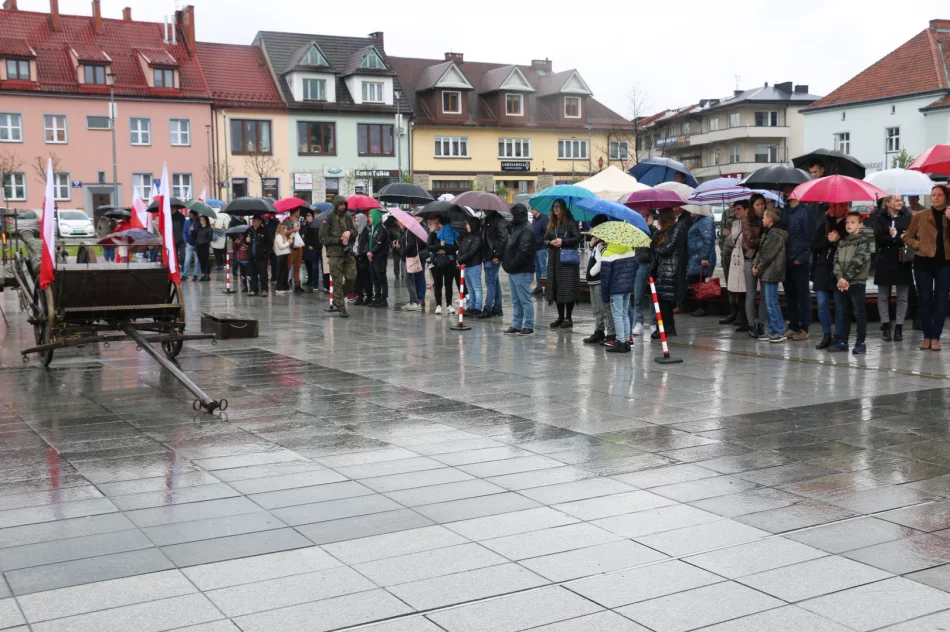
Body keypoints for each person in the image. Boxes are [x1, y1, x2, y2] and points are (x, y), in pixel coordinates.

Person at [903, 184, 950, 351]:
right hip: (923, 263)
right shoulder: (921, 215)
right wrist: (919, 245)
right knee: (925, 299)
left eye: (939, 195)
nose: (935, 198)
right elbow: (907, 237)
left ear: (946, 198)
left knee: (941, 300)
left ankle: (936, 337)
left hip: (945, 263)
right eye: (933, 194)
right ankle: (927, 336)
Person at [829, 211, 872, 354]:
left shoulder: (863, 241)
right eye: (847, 222)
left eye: (853, 222)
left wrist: (845, 278)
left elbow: (859, 261)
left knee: (859, 312)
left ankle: (861, 342)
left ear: (860, 224)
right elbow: (836, 261)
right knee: (844, 312)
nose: (849, 225)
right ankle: (843, 341)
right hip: (843, 283)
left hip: (856, 282)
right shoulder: (842, 241)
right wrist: (840, 277)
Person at [874, 195, 913, 341]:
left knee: (902, 296)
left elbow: (910, 236)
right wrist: (895, 237)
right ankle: (885, 326)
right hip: (885, 260)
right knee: (883, 296)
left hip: (902, 261)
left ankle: (899, 328)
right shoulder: (880, 218)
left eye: (901, 200)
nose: (900, 202)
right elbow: (879, 237)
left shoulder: (907, 218)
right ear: (888, 203)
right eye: (896, 200)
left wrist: (895, 235)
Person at [781, 190, 817, 341]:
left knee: (802, 294)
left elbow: (810, 236)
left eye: (789, 190)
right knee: (790, 294)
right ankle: (793, 325)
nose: (785, 193)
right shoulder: (784, 211)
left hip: (799, 260)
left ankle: (804, 328)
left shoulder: (806, 212)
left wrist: (802, 257)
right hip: (785, 259)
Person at [813, 203, 849, 349]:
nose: (834, 209)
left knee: (840, 306)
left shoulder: (847, 226)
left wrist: (837, 241)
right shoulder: (824, 226)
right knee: (822, 304)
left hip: (840, 271)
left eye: (839, 206)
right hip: (823, 269)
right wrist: (827, 241)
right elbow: (814, 247)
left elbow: (849, 247)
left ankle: (838, 336)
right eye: (833, 206)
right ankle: (826, 334)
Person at [544, 199, 581, 329]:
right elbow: (545, 239)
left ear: (563, 208)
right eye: (554, 206)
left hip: (567, 262)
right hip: (554, 260)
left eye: (558, 206)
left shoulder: (570, 222)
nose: (556, 208)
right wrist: (550, 242)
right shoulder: (552, 223)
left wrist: (563, 241)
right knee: (556, 288)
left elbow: (577, 238)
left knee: (567, 289)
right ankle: (560, 317)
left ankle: (568, 318)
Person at [752, 209, 788, 342]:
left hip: (772, 272)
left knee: (772, 302)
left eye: (764, 217)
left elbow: (767, 255)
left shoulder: (775, 235)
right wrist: (755, 264)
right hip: (767, 272)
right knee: (769, 302)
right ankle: (773, 329)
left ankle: (779, 331)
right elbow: (761, 252)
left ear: (770, 219)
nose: (762, 219)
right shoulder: (768, 233)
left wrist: (758, 268)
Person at [319, 195, 358, 317]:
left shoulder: (347, 218)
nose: (343, 207)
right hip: (335, 254)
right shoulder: (328, 219)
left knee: (351, 278)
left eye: (344, 204)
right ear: (336, 205)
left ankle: (337, 297)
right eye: (340, 205)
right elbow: (322, 238)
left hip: (347, 252)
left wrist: (349, 232)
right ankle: (341, 307)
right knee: (337, 281)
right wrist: (338, 240)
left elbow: (355, 231)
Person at [600, 236, 640, 354]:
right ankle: (627, 341)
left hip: (616, 288)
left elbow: (605, 277)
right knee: (624, 314)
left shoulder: (608, 253)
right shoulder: (630, 249)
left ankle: (620, 342)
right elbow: (636, 265)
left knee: (617, 315)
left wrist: (604, 296)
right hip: (628, 287)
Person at [652, 208, 686, 338]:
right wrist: (656, 233)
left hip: (671, 270)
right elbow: (652, 244)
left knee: (664, 301)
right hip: (661, 270)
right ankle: (667, 327)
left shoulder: (677, 229)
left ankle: (666, 328)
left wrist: (655, 248)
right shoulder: (662, 232)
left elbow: (668, 248)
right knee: (662, 300)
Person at [502, 204, 536, 335]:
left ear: (518, 215)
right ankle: (516, 324)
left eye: (512, 215)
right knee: (516, 300)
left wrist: (511, 264)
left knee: (524, 299)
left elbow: (523, 251)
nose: (511, 217)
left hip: (522, 269)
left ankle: (528, 325)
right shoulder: (517, 227)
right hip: (514, 270)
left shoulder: (527, 229)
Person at [583, 215, 615, 345]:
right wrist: (592, 246)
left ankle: (611, 333)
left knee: (604, 307)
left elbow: (604, 260)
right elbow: (594, 256)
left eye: (594, 228)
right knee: (596, 308)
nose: (593, 231)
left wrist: (592, 272)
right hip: (593, 280)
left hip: (599, 279)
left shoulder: (606, 241)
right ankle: (599, 331)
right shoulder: (598, 241)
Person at [741, 194, 768, 339]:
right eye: (757, 204)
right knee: (751, 294)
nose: (761, 207)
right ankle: (751, 324)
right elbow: (749, 241)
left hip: (765, 260)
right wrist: (764, 239)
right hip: (750, 258)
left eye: (762, 204)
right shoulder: (747, 220)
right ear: (752, 206)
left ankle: (761, 323)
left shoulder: (769, 218)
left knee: (765, 295)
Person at [723, 201, 749, 331]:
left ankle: (746, 320)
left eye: (739, 209)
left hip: (745, 261)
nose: (736, 211)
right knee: (738, 292)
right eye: (735, 209)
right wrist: (726, 235)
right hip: (735, 261)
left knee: (745, 292)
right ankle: (741, 318)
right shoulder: (735, 224)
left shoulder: (751, 224)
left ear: (746, 210)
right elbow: (730, 243)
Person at [686, 210, 716, 317]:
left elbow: (708, 240)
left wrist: (704, 257)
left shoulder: (705, 221)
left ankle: (703, 307)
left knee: (698, 280)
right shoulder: (699, 221)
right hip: (696, 257)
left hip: (701, 258)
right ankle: (701, 306)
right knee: (697, 280)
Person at [479, 210, 508, 318]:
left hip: (492, 256)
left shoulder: (498, 219)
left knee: (490, 282)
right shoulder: (486, 219)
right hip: (487, 255)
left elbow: (503, 237)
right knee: (494, 282)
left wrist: (497, 254)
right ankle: (497, 307)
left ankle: (488, 307)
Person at [427, 216, 458, 316]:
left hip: (449, 262)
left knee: (448, 284)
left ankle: (449, 305)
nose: (437, 225)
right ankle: (438, 305)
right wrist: (439, 245)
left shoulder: (449, 232)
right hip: (436, 263)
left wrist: (445, 251)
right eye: (435, 223)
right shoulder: (432, 235)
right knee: (438, 284)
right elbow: (429, 247)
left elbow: (455, 247)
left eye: (438, 223)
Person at [632, 208, 657, 336]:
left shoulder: (654, 230)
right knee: (638, 295)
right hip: (639, 263)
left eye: (644, 216)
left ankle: (653, 323)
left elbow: (654, 245)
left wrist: (650, 228)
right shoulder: (636, 230)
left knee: (653, 296)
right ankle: (638, 322)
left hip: (652, 264)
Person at [398, 219, 428, 312]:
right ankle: (413, 302)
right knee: (410, 280)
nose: (400, 223)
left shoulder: (410, 231)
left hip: (410, 258)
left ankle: (416, 302)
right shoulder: (407, 231)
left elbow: (410, 244)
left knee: (407, 280)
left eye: (402, 221)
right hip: (408, 258)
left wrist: (403, 253)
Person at [718, 202, 740, 325]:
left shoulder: (744, 213)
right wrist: (723, 235)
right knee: (729, 284)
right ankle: (733, 311)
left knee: (739, 284)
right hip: (727, 253)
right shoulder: (726, 213)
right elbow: (721, 233)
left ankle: (741, 313)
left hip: (738, 254)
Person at [457, 220, 484, 317]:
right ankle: (471, 306)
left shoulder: (477, 238)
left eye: (468, 224)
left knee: (476, 288)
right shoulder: (466, 236)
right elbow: (461, 249)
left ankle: (477, 308)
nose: (466, 226)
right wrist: (459, 259)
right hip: (466, 265)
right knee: (470, 288)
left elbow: (472, 252)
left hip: (474, 265)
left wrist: (460, 260)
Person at [366, 208, 390, 307]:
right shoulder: (372, 228)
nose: (369, 218)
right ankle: (377, 297)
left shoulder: (381, 229)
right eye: (369, 216)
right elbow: (369, 242)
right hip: (372, 257)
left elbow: (379, 243)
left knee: (381, 279)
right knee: (374, 279)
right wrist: (368, 252)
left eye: (371, 216)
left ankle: (384, 299)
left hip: (380, 258)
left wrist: (371, 252)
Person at [245, 216, 271, 297]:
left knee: (263, 274)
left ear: (259, 221)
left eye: (255, 220)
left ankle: (264, 289)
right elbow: (244, 241)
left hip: (261, 257)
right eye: (253, 220)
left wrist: (265, 251)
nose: (253, 222)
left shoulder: (265, 230)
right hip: (251, 256)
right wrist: (246, 240)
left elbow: (270, 243)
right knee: (252, 274)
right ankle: (253, 289)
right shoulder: (249, 230)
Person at [531, 208, 549, 296]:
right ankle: (539, 287)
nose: (531, 211)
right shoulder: (534, 219)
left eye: (532, 209)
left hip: (542, 247)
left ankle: (547, 287)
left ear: (538, 209)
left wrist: (539, 241)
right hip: (535, 247)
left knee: (543, 267)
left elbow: (547, 233)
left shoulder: (544, 218)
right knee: (537, 268)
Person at [273, 222, 291, 295]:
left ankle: (285, 287)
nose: (286, 230)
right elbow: (281, 246)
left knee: (285, 272)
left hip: (285, 255)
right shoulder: (279, 236)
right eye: (285, 229)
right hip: (281, 255)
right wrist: (288, 242)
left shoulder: (283, 236)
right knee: (281, 272)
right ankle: (279, 288)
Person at [182, 210, 199, 281]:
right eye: (190, 214)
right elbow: (184, 232)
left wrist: (194, 230)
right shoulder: (187, 222)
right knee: (187, 260)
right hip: (189, 243)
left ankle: (196, 275)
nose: (191, 215)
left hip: (197, 244)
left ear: (195, 215)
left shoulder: (198, 222)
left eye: (192, 214)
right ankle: (185, 275)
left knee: (197, 261)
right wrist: (185, 241)